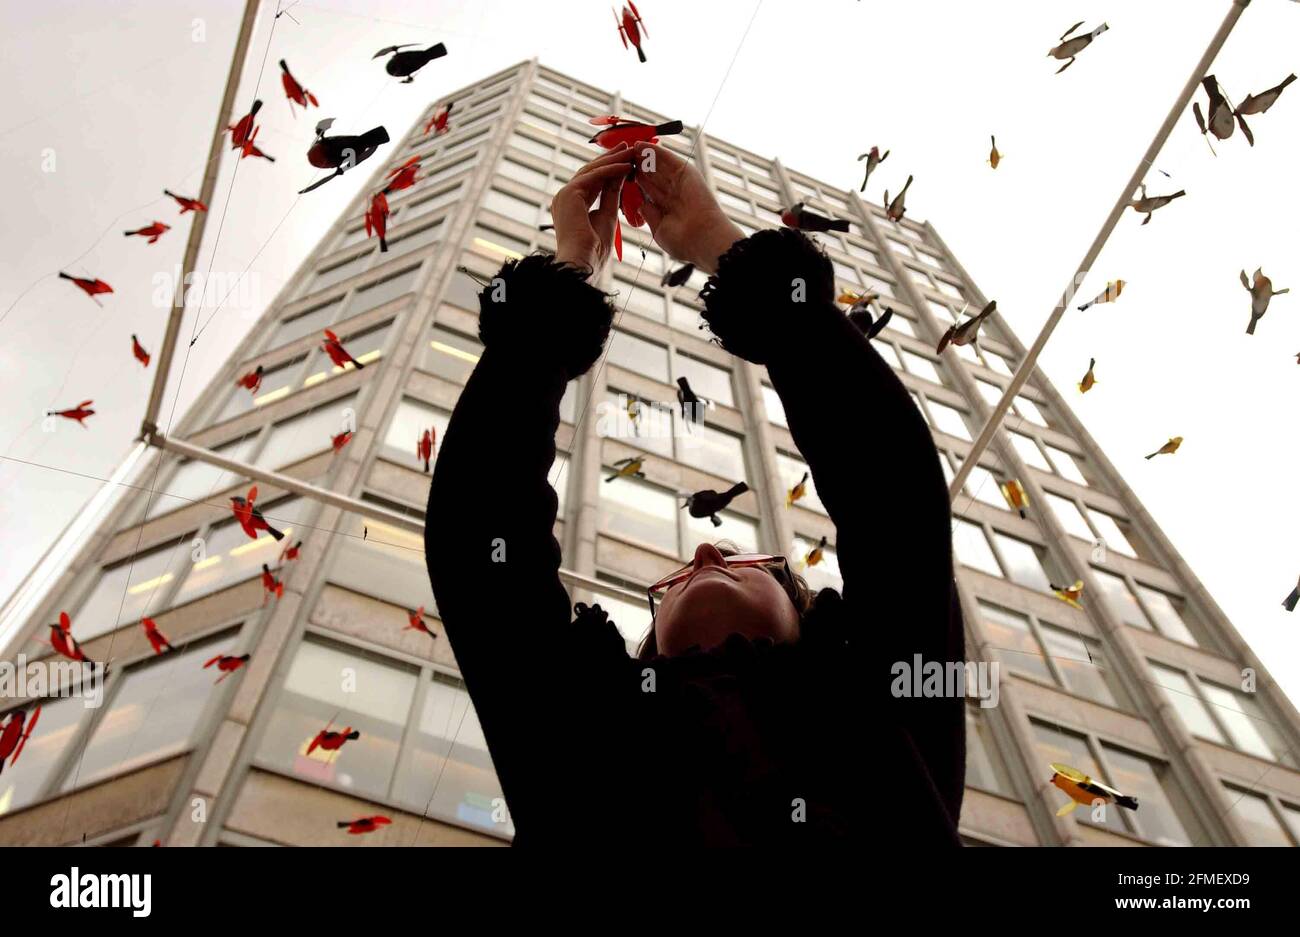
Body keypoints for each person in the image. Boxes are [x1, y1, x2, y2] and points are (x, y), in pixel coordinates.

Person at [425, 142, 965, 845]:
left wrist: (719, 247)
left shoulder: (880, 701)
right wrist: (566, 272)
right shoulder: (585, 733)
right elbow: (482, 547)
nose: (706, 546)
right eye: (715, 559)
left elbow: (893, 499)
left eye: (734, 559)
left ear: (811, 616)